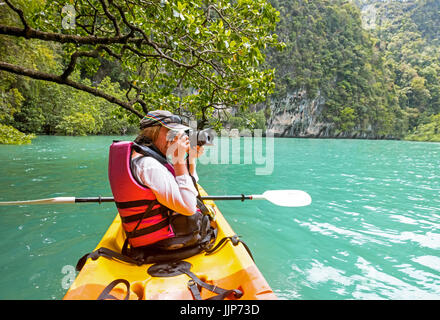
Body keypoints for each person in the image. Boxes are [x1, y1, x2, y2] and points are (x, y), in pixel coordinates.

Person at [107, 110, 214, 262]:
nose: (175, 138)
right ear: (153, 132)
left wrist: (190, 161)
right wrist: (178, 161)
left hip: (147, 238)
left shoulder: (142, 157)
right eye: (170, 132)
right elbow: (189, 206)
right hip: (162, 243)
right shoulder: (149, 165)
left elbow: (187, 188)